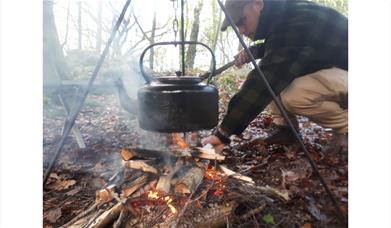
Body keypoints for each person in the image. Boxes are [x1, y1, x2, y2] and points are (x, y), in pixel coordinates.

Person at [201, 0, 348, 154]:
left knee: (292, 93)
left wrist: (223, 132)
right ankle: (287, 130)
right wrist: (257, 51)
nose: (242, 30)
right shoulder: (285, 14)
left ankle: (346, 128)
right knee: (277, 78)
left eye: (242, 21)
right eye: (237, 26)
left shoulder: (296, 21)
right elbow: (293, 45)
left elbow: (267, 77)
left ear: (257, 3)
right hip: (337, 71)